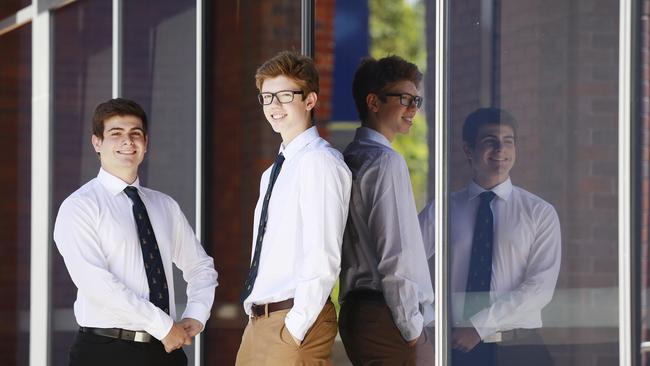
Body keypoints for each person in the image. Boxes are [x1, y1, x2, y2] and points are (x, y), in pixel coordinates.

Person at [53, 98, 219, 366]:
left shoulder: (164, 206)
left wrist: (197, 314)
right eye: (115, 134)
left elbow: (201, 267)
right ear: (97, 143)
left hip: (165, 353)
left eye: (135, 134)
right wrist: (163, 325)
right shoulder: (80, 206)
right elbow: (97, 284)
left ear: (146, 143)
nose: (128, 141)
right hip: (105, 352)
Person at [419, 107, 561, 366]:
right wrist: (431, 320)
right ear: (467, 149)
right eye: (489, 141)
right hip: (455, 350)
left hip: (519, 350)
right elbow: (408, 268)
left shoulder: (539, 213)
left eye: (509, 141)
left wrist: (479, 326)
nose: (501, 149)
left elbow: (540, 288)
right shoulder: (442, 211)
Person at [235, 51, 352, 366]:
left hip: (293, 321)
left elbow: (324, 253)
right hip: (259, 323)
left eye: (285, 95)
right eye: (267, 97)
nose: (274, 106)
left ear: (310, 100)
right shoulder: (273, 172)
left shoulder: (320, 162)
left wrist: (296, 327)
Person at [338, 55, 435, 365]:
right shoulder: (385, 162)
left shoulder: (349, 157)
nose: (413, 109)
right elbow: (396, 257)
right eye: (405, 99)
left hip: (359, 311)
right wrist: (413, 332)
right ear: (374, 102)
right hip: (387, 317)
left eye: (417, 101)